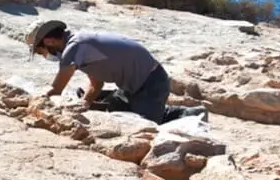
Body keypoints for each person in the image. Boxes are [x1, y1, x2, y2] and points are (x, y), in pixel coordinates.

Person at [29, 19, 175, 123]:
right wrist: (85, 102)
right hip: (133, 86)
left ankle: (178, 113)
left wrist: (34, 104)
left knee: (146, 126)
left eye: (41, 52)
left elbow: (56, 90)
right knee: (115, 110)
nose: (44, 56)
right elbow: (96, 83)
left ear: (48, 41)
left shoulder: (74, 47)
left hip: (151, 84)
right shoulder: (81, 44)